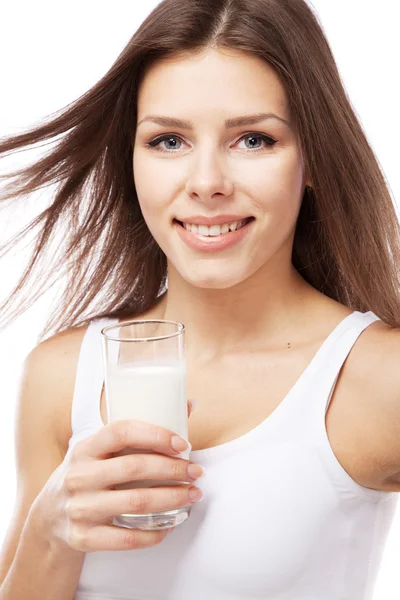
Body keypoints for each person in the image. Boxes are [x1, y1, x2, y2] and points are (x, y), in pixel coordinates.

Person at [0, 0, 400, 598]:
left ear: (313, 158)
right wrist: (52, 529)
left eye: (254, 139)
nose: (207, 182)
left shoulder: (375, 378)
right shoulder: (63, 376)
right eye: (167, 141)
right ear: (131, 162)